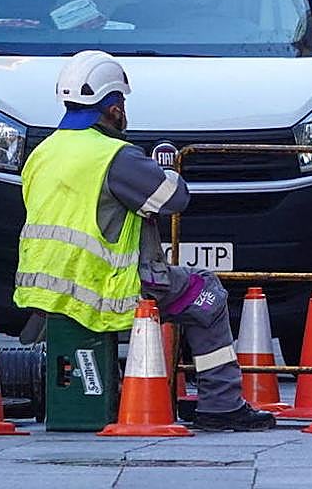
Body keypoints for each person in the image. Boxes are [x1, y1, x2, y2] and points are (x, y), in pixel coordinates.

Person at [14, 50, 276, 432]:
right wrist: (165, 168)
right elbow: (174, 198)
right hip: (106, 288)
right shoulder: (114, 156)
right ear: (114, 108)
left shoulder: (43, 153)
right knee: (207, 294)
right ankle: (221, 405)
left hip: (46, 289)